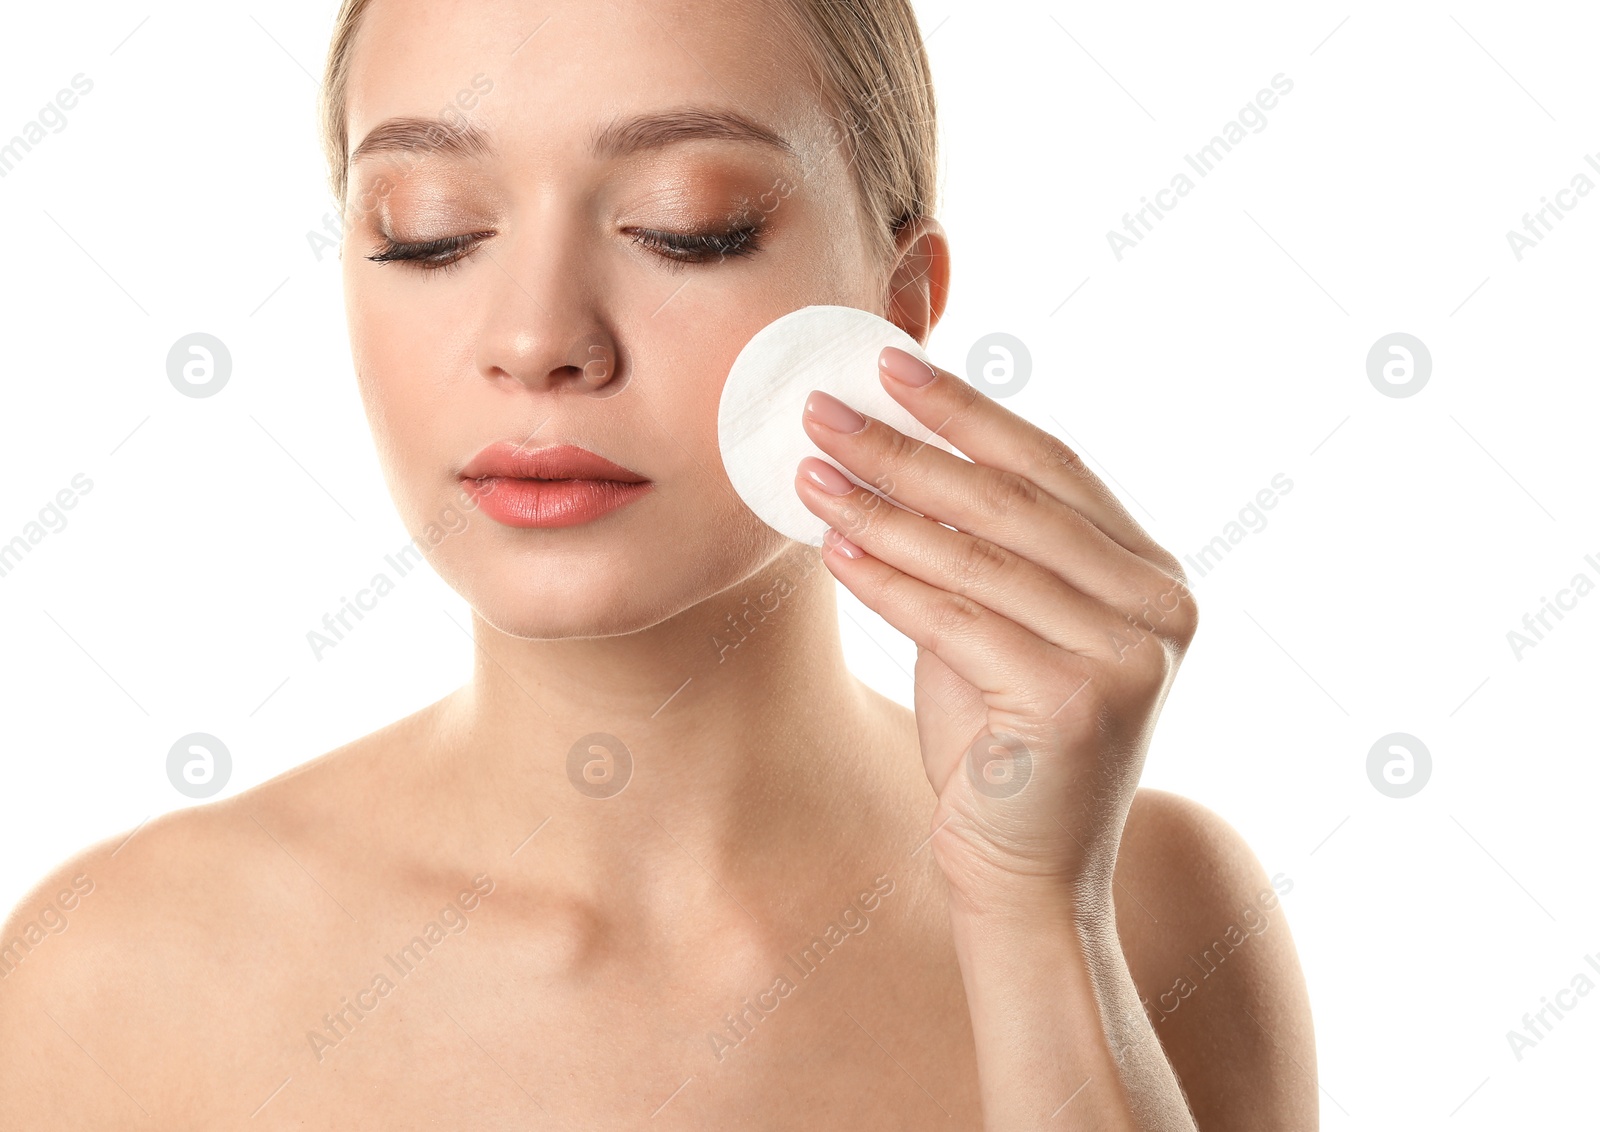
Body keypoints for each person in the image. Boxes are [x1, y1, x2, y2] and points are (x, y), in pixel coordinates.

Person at [0, 0, 1316, 1125]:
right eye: (431, 230)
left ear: (896, 305)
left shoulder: (1159, 916)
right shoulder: (107, 985)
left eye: (690, 227)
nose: (538, 339)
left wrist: (1039, 926)